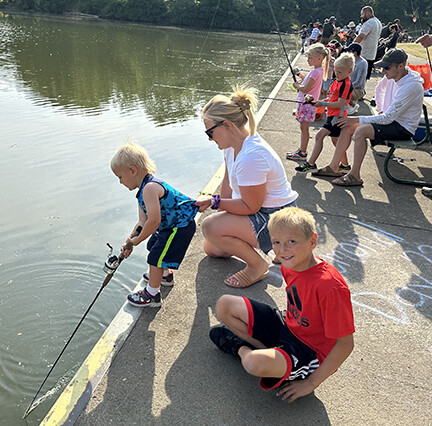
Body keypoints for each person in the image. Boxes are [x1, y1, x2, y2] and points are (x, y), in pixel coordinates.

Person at [209, 207, 355, 399]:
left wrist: (310, 383)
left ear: (312, 241)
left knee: (253, 363)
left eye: (291, 242)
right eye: (276, 242)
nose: (282, 250)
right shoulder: (291, 263)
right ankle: (270, 354)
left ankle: (241, 347)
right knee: (224, 305)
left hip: (309, 351)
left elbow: (345, 344)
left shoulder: (329, 287)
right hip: (289, 326)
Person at [196, 86, 298, 288]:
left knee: (209, 227)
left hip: (279, 218)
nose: (209, 138)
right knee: (212, 248)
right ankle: (275, 251)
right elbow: (227, 182)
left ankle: (258, 265)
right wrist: (219, 208)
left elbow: (250, 206)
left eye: (210, 132)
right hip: (262, 212)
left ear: (226, 125)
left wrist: (214, 203)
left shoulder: (252, 155)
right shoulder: (232, 146)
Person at [110, 141, 198, 307]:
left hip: (179, 227)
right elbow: (142, 222)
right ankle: (164, 275)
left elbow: (154, 221)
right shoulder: (142, 192)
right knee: (153, 244)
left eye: (120, 177)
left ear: (133, 170)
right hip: (169, 227)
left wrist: (135, 242)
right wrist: (129, 241)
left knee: (156, 257)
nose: (120, 182)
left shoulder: (150, 188)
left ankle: (152, 295)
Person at [331, 48, 424, 186]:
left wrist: (357, 119)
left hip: (403, 128)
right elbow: (379, 90)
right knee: (347, 125)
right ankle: (333, 167)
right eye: (382, 67)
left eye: (386, 67)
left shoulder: (411, 86)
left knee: (360, 131)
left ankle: (354, 176)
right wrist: (380, 110)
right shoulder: (394, 76)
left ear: (401, 66)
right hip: (392, 120)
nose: (383, 71)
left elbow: (388, 119)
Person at [295, 53, 355, 176]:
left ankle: (311, 164)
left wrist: (322, 104)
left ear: (350, 71)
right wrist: (317, 102)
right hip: (332, 115)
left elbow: (339, 104)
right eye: (336, 72)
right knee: (336, 142)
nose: (337, 75)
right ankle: (345, 166)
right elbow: (331, 97)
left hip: (337, 117)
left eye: (340, 72)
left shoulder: (346, 84)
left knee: (319, 136)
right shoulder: (337, 81)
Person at [286, 44, 331, 161]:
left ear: (319, 58)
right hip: (309, 104)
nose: (308, 59)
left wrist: (297, 85)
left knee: (304, 129)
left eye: (310, 57)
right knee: (304, 128)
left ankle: (302, 152)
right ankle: (302, 150)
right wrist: (300, 78)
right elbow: (309, 84)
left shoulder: (315, 72)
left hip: (307, 104)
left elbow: (305, 88)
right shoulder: (317, 71)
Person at [353, 6, 382, 80]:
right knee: (364, 79)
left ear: (367, 13)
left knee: (357, 79)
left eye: (362, 14)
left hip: (363, 54)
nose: (361, 16)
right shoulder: (378, 22)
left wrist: (351, 47)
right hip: (371, 55)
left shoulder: (369, 23)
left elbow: (361, 37)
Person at [345, 43, 368, 115]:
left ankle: (352, 105)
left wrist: (347, 87)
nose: (348, 53)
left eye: (349, 51)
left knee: (342, 92)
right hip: (349, 86)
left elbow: (359, 82)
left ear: (355, 52)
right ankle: (348, 105)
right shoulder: (351, 60)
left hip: (358, 89)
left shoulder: (362, 63)